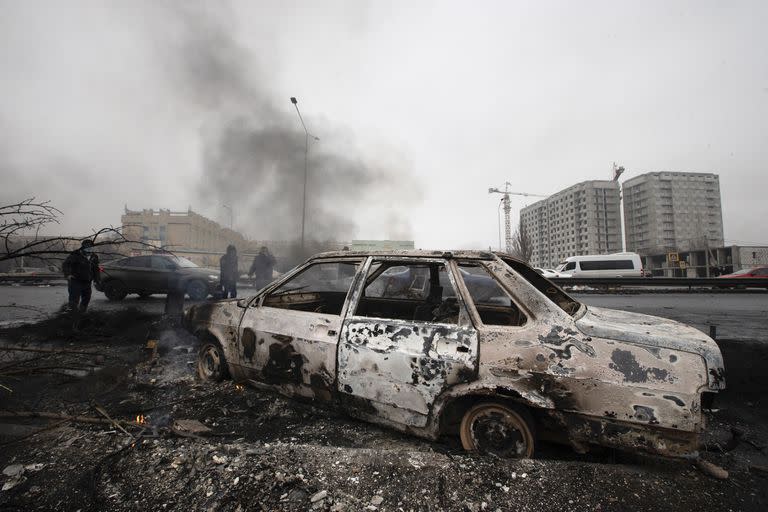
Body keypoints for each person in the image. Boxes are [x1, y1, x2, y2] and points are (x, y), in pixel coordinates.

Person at [62, 239, 100, 312]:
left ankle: (81, 314)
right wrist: (68, 275)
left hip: (87, 282)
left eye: (91, 247)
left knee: (86, 300)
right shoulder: (76, 255)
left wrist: (97, 280)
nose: (89, 248)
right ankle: (72, 316)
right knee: (74, 301)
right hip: (75, 281)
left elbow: (96, 269)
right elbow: (65, 264)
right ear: (83, 247)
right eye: (87, 247)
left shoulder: (94, 256)